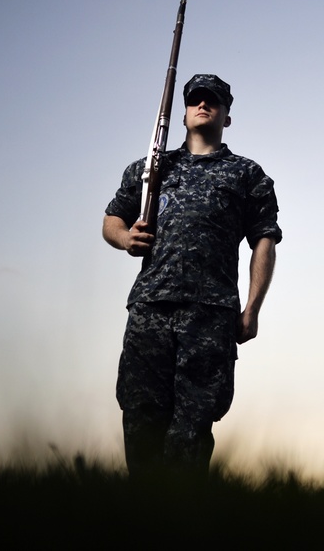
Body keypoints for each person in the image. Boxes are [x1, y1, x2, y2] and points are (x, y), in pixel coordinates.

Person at [102, 74, 281, 481]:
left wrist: (252, 308)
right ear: (182, 113)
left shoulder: (246, 174)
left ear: (226, 116)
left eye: (213, 100)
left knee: (193, 422)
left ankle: (182, 517)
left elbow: (265, 241)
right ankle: (143, 514)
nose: (203, 105)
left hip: (210, 314)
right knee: (141, 414)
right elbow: (112, 219)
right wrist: (125, 238)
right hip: (151, 307)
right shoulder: (151, 167)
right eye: (195, 99)